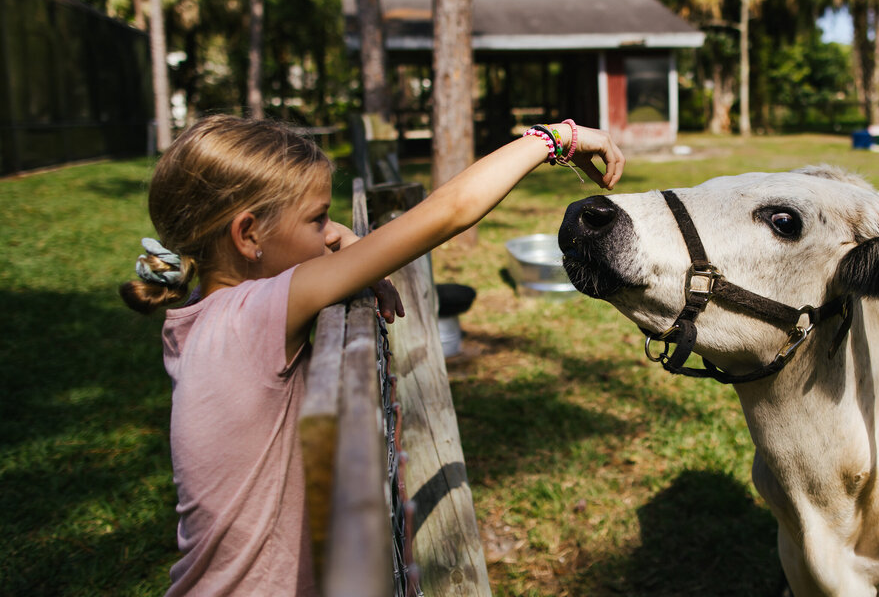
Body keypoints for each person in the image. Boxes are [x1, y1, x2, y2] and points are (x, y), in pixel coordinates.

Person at [120, 114, 624, 596]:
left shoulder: (203, 312)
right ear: (249, 234)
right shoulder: (254, 313)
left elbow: (294, 245)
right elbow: (449, 211)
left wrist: (339, 240)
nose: (328, 233)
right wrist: (557, 138)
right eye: (318, 219)